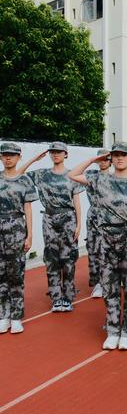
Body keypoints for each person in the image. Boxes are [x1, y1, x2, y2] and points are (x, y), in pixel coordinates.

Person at [68, 142, 127, 350]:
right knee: (110, 286)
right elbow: (73, 174)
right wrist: (95, 159)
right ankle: (112, 330)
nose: (119, 158)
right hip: (106, 237)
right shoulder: (100, 179)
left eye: (124, 155)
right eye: (116, 155)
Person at [19, 142, 84, 313]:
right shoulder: (42, 175)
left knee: (68, 259)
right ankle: (56, 297)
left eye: (59, 152)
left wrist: (78, 224)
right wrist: (34, 159)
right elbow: (19, 174)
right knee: (51, 258)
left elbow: (76, 201)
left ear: (66, 154)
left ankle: (68, 296)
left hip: (68, 217)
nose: (56, 155)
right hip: (49, 218)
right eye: (53, 152)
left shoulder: (72, 175)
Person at [0, 143, 38, 334]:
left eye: (11, 155)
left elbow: (28, 210)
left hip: (16, 229)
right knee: (0, 276)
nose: (8, 158)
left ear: (18, 158)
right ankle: (3, 315)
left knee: (16, 275)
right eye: (5, 155)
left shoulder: (25, 181)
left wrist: (30, 235)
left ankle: (16, 317)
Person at [85, 149, 111, 298]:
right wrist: (91, 160)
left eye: (106, 159)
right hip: (94, 216)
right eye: (100, 159)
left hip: (109, 217)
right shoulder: (90, 175)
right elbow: (74, 174)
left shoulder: (115, 177)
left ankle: (108, 279)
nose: (103, 162)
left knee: (108, 250)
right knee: (93, 249)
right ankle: (97, 283)